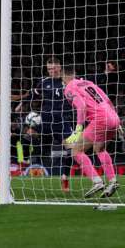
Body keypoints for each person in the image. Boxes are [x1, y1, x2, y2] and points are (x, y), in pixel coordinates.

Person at [62, 67, 120, 198]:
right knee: (99, 148)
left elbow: (81, 106)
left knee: (76, 150)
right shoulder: (89, 83)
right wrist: (117, 120)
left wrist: (78, 130)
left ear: (64, 78)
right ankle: (112, 181)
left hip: (100, 119)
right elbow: (107, 99)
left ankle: (97, 181)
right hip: (113, 117)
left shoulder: (69, 88)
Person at [21, 57, 75, 192]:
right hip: (45, 121)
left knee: (71, 150)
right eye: (49, 69)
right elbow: (32, 95)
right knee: (26, 136)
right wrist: (20, 103)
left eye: (53, 68)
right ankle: (25, 160)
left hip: (61, 121)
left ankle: (64, 178)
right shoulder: (44, 82)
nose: (51, 71)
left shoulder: (68, 81)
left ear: (60, 67)